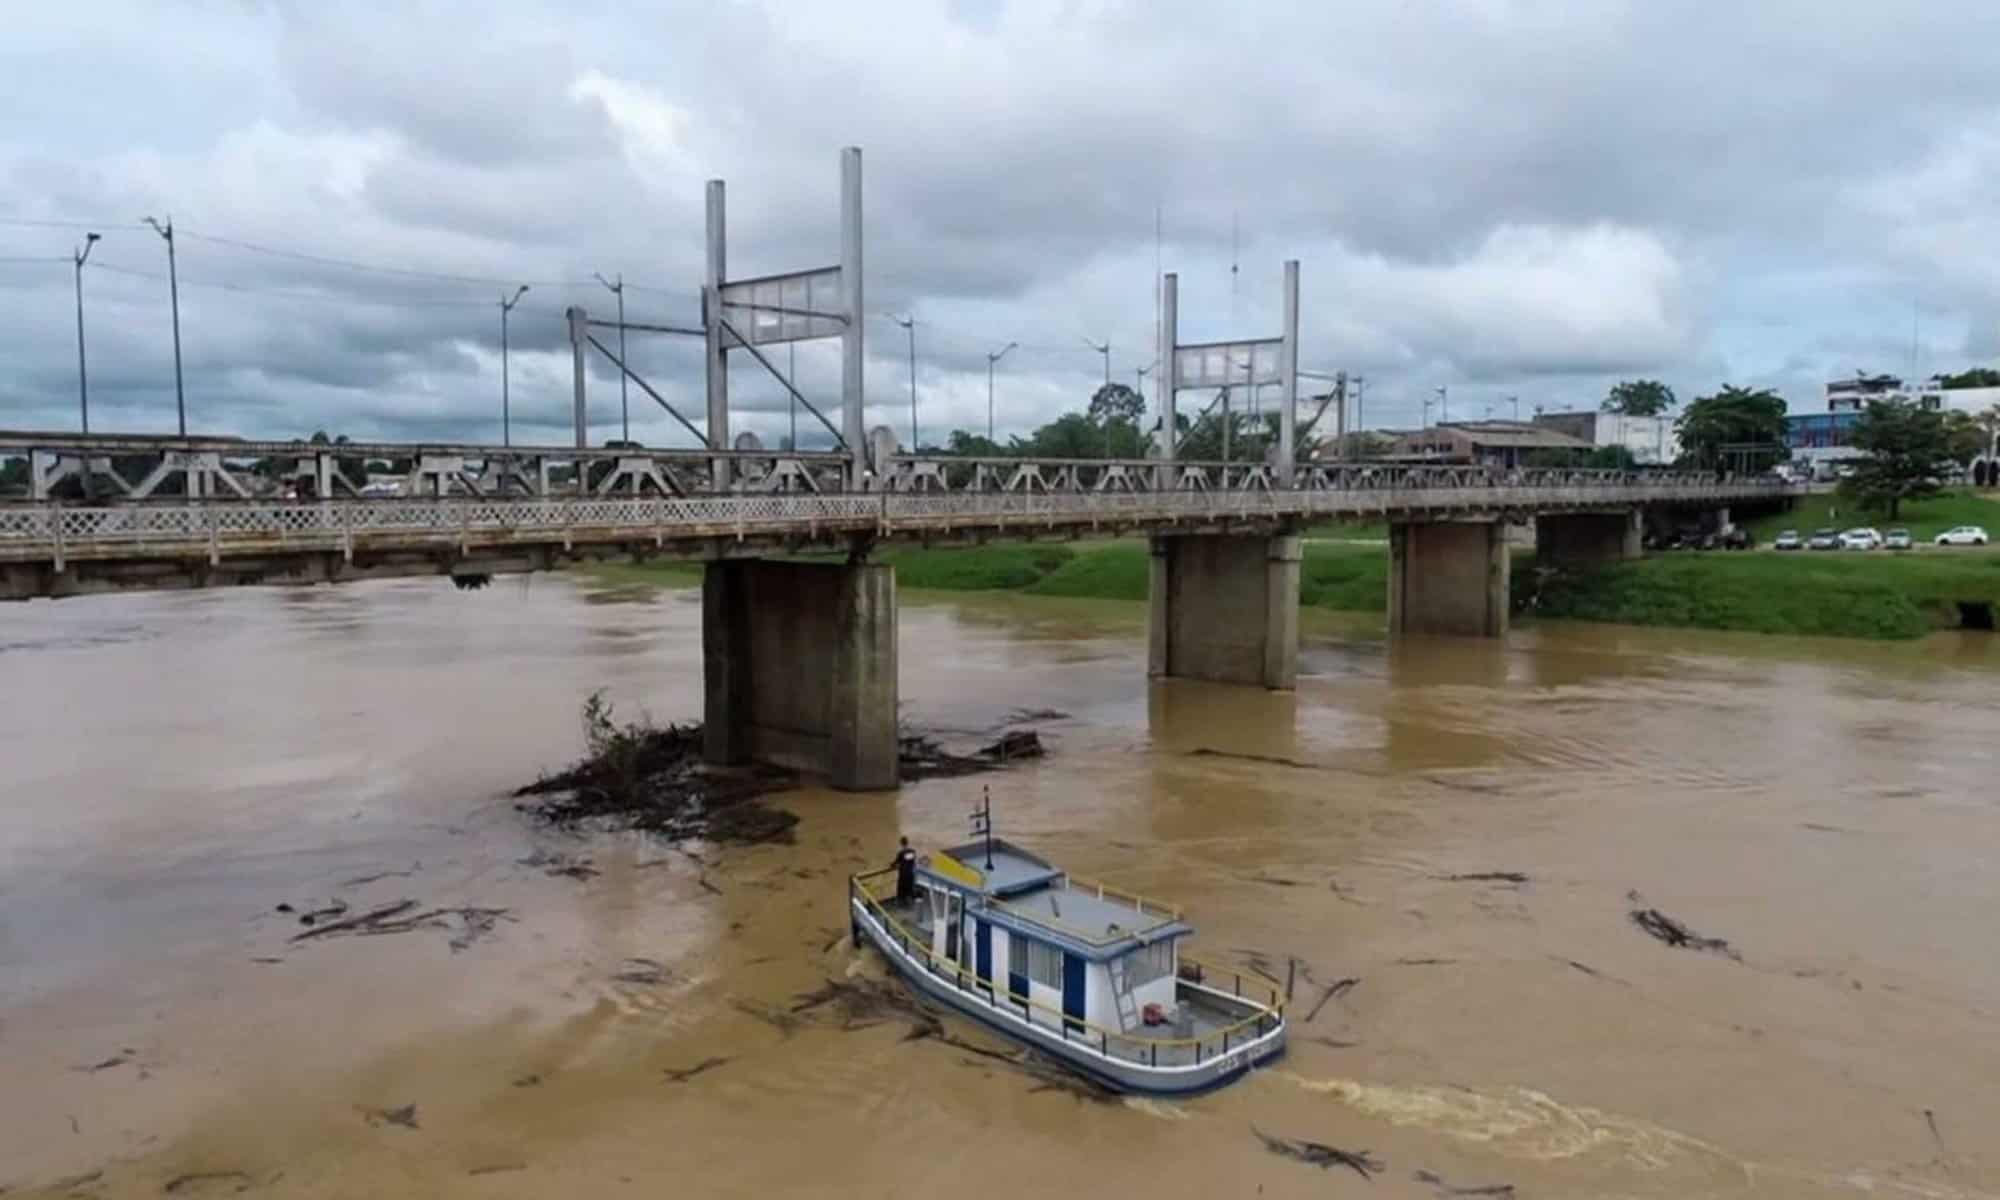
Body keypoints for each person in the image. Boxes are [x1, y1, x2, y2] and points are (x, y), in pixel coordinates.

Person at [893, 837, 918, 905]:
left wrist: (891, 865)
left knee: (901, 887)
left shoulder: (901, 853)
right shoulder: (912, 851)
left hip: (903, 873)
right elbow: (912, 860)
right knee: (910, 886)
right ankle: (909, 900)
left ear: (901, 843)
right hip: (911, 872)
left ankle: (900, 901)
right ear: (907, 842)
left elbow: (896, 862)